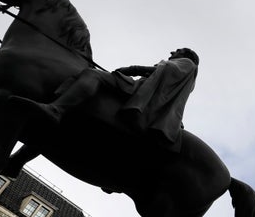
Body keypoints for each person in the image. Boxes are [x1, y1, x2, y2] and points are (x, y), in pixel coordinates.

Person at [12, 47, 199, 148]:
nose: (172, 53)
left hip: (138, 91)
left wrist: (132, 69)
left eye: (177, 51)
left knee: (93, 74)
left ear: (186, 55)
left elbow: (167, 70)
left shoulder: (187, 64)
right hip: (142, 90)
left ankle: (56, 109)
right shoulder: (184, 75)